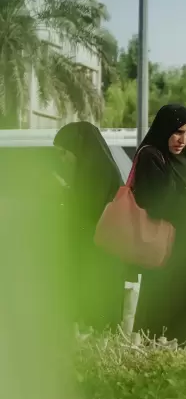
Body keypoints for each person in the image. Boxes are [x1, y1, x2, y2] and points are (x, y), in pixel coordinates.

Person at [131, 104, 186, 346]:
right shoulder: (151, 155)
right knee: (166, 320)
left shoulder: (180, 159)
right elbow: (156, 201)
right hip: (169, 251)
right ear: (165, 129)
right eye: (177, 132)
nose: (183, 139)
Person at [53, 122, 128, 332]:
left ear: (78, 149)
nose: (62, 160)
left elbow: (86, 216)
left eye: (64, 153)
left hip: (97, 258)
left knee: (96, 321)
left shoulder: (94, 174)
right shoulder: (100, 170)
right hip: (104, 258)